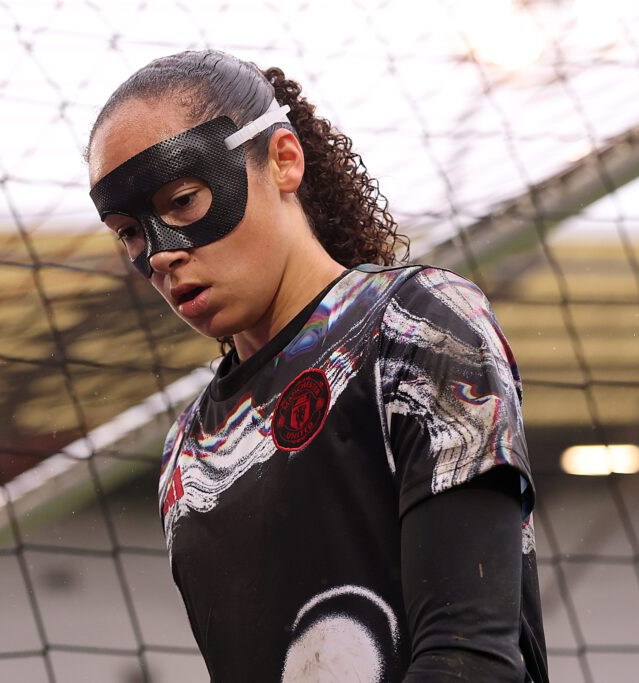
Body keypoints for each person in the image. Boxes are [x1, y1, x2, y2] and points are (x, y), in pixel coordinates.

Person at [85, 49, 548, 683]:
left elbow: (470, 659)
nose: (160, 255)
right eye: (131, 233)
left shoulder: (414, 324)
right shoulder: (191, 456)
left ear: (283, 160)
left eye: (184, 200)